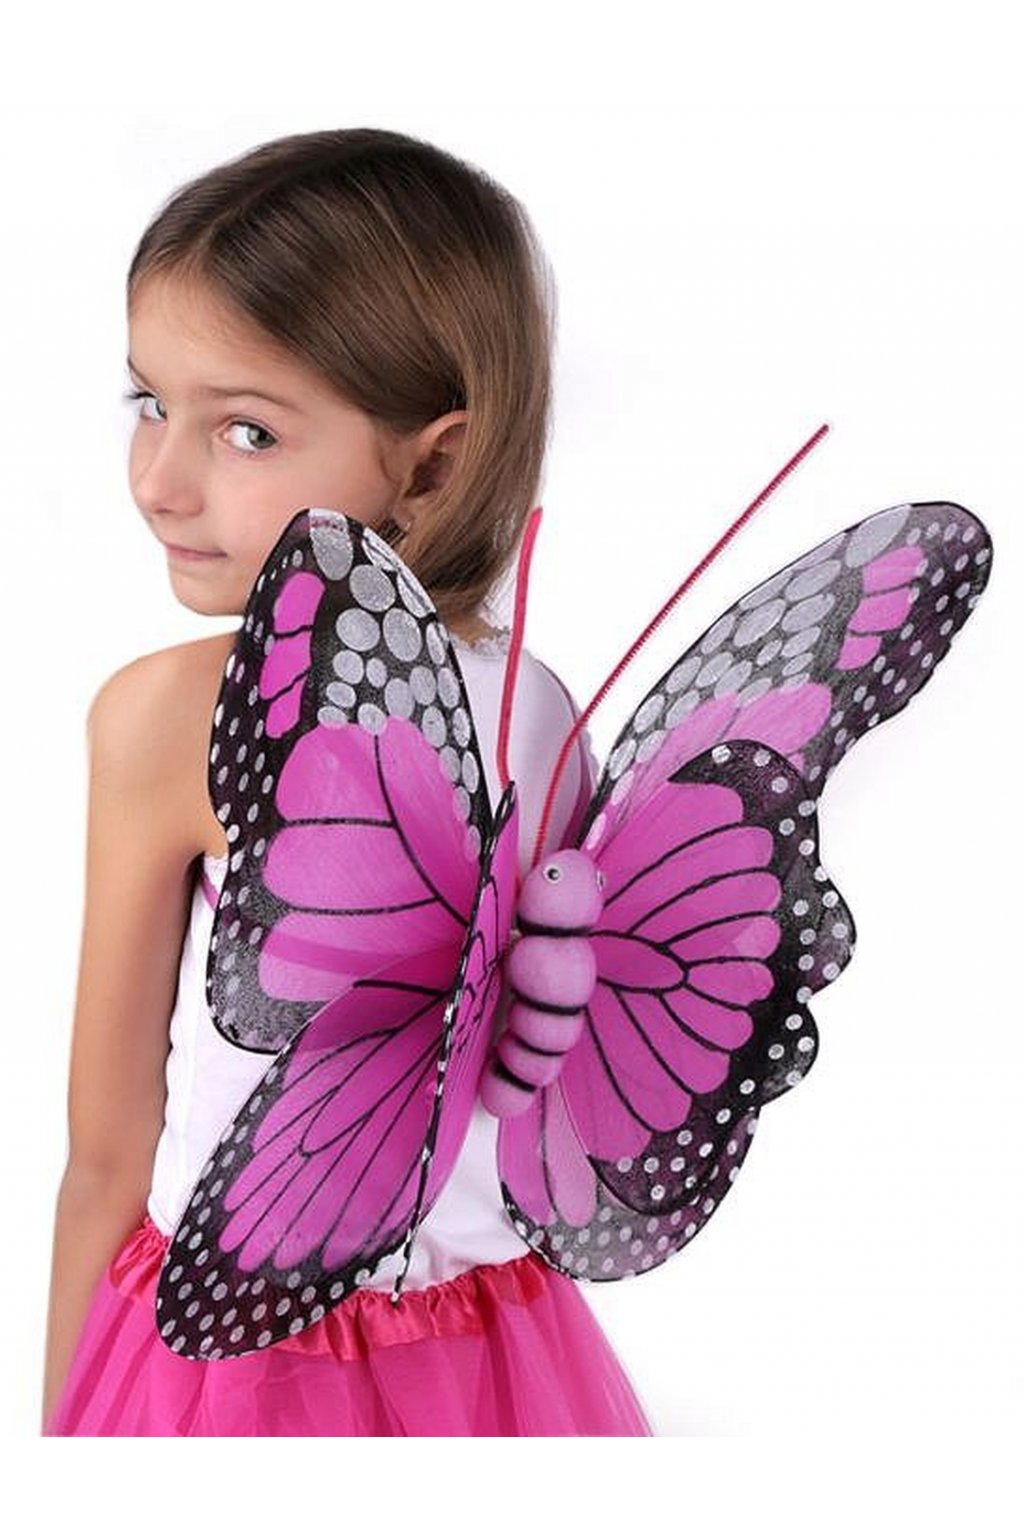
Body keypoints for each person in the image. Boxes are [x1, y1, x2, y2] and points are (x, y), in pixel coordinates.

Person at [41, 127, 655, 1436]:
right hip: (495, 1344)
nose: (159, 482)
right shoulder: (542, 705)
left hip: (231, 1352)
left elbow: (107, 1155)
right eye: (148, 402)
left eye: (246, 430)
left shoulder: (173, 715)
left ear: (433, 464)